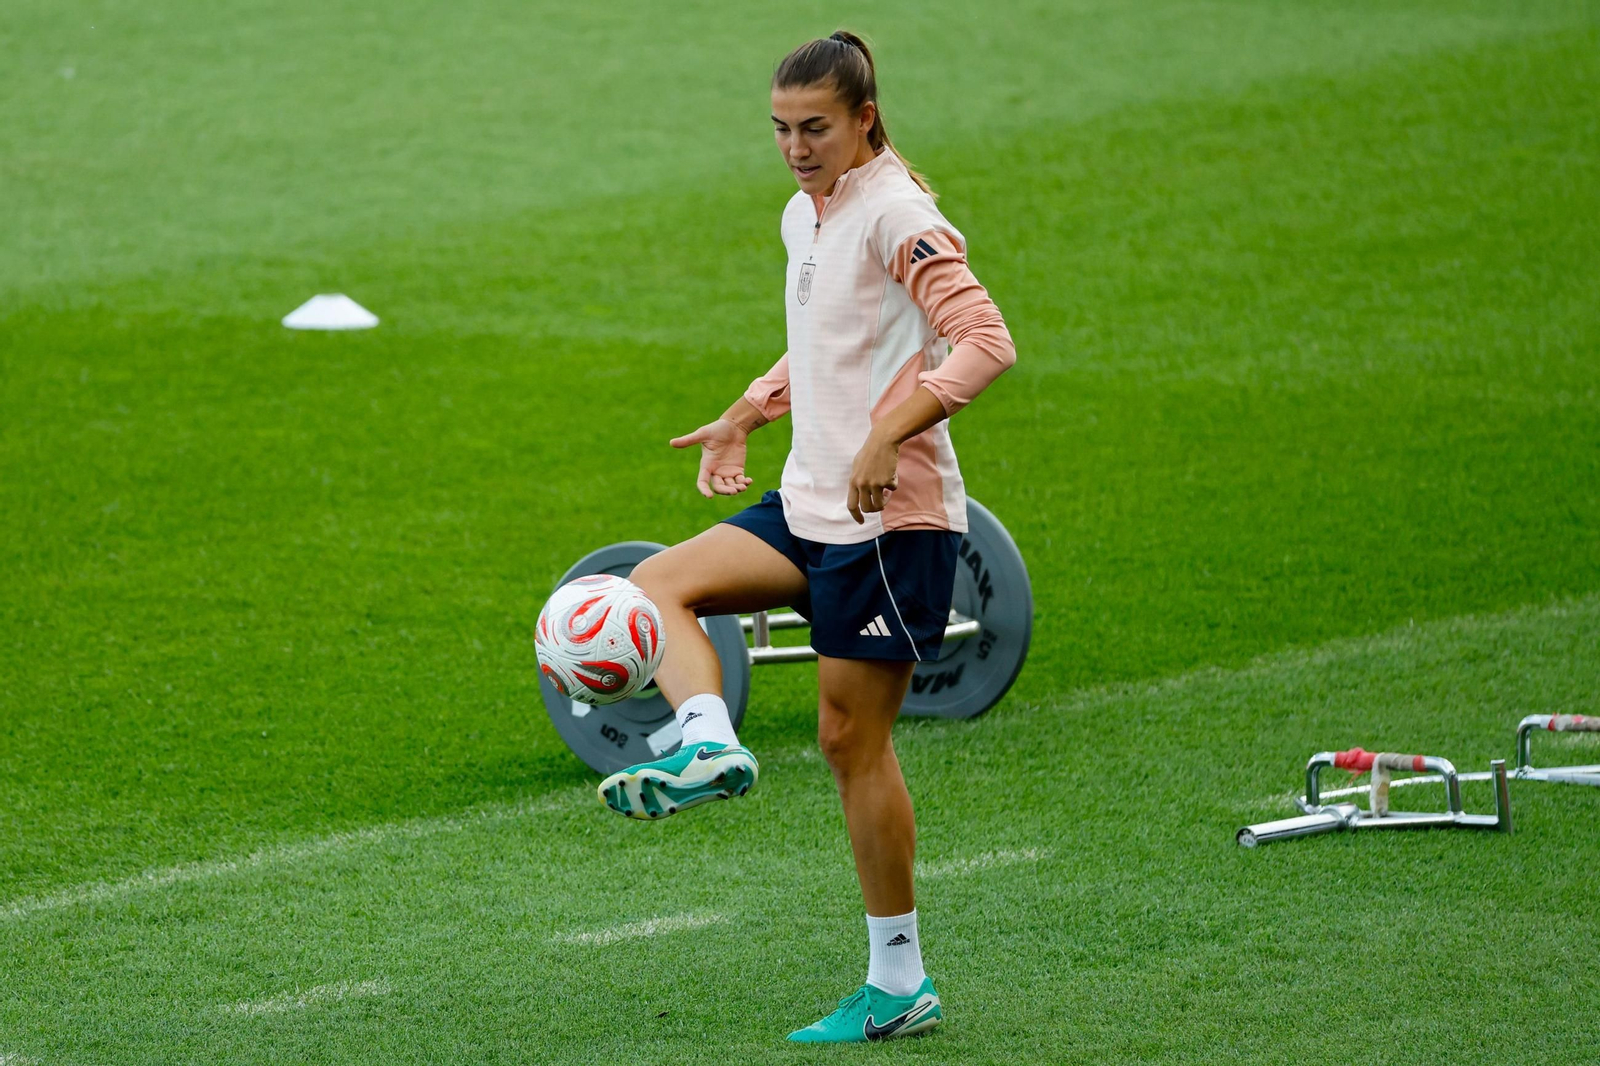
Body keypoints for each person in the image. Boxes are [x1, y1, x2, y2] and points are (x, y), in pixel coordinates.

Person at [602, 29, 1016, 1043]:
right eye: (781, 128)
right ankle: (705, 742)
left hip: (888, 522)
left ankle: (899, 982)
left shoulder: (899, 215)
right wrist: (750, 410)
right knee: (657, 585)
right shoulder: (806, 212)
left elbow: (985, 342)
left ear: (863, 119)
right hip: (806, 503)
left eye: (814, 127)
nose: (794, 145)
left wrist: (891, 430)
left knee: (847, 742)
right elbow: (826, 338)